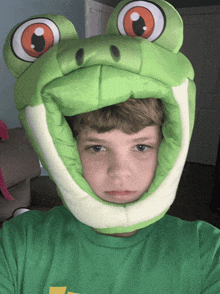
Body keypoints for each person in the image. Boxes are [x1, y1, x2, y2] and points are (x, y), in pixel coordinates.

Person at [1, 0, 220, 293]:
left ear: (167, 148)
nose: (120, 173)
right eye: (97, 148)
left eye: (141, 147)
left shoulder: (207, 251)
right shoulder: (18, 242)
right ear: (68, 151)